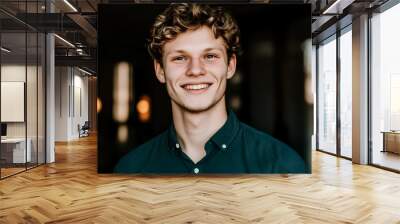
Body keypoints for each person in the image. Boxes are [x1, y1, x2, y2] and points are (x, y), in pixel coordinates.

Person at [114, 3, 306, 174]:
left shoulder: (283, 164)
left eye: (210, 56)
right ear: (160, 70)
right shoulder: (130, 168)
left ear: (230, 66)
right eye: (180, 58)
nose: (195, 70)